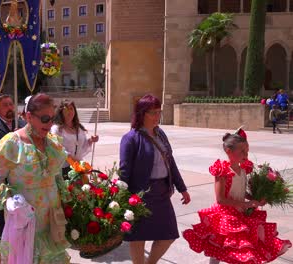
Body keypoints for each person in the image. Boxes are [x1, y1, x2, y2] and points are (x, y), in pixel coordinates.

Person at [183, 130, 292, 264]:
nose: (246, 155)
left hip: (240, 212)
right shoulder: (223, 171)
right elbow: (221, 199)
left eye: (247, 151)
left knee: (239, 248)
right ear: (229, 151)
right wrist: (246, 204)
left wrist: (255, 199)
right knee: (218, 248)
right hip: (226, 215)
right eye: (242, 151)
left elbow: (241, 192)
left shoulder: (243, 169)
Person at [0, 93, 70, 263]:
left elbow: (57, 177)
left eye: (52, 119)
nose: (49, 124)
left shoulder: (53, 142)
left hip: (53, 222)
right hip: (26, 224)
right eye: (45, 119)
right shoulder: (12, 143)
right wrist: (10, 202)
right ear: (29, 116)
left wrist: (69, 200)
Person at [119, 94, 191, 264]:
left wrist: (182, 188)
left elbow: (170, 162)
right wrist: (123, 199)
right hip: (140, 196)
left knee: (169, 234)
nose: (157, 116)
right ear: (142, 114)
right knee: (138, 237)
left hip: (161, 193)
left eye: (159, 112)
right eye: (153, 112)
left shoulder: (161, 134)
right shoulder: (131, 139)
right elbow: (124, 171)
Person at [0, 94, 26, 237]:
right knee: (3, 219)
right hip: (3, 180)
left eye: (11, 104)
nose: (9, 107)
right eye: (5, 105)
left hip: (22, 180)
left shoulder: (22, 125)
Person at [51, 100, 99, 177]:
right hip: (63, 168)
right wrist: (72, 160)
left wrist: (91, 140)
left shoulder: (79, 128)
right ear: (61, 112)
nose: (69, 112)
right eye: (66, 109)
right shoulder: (56, 129)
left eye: (71, 109)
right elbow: (58, 148)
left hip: (79, 166)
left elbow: (82, 147)